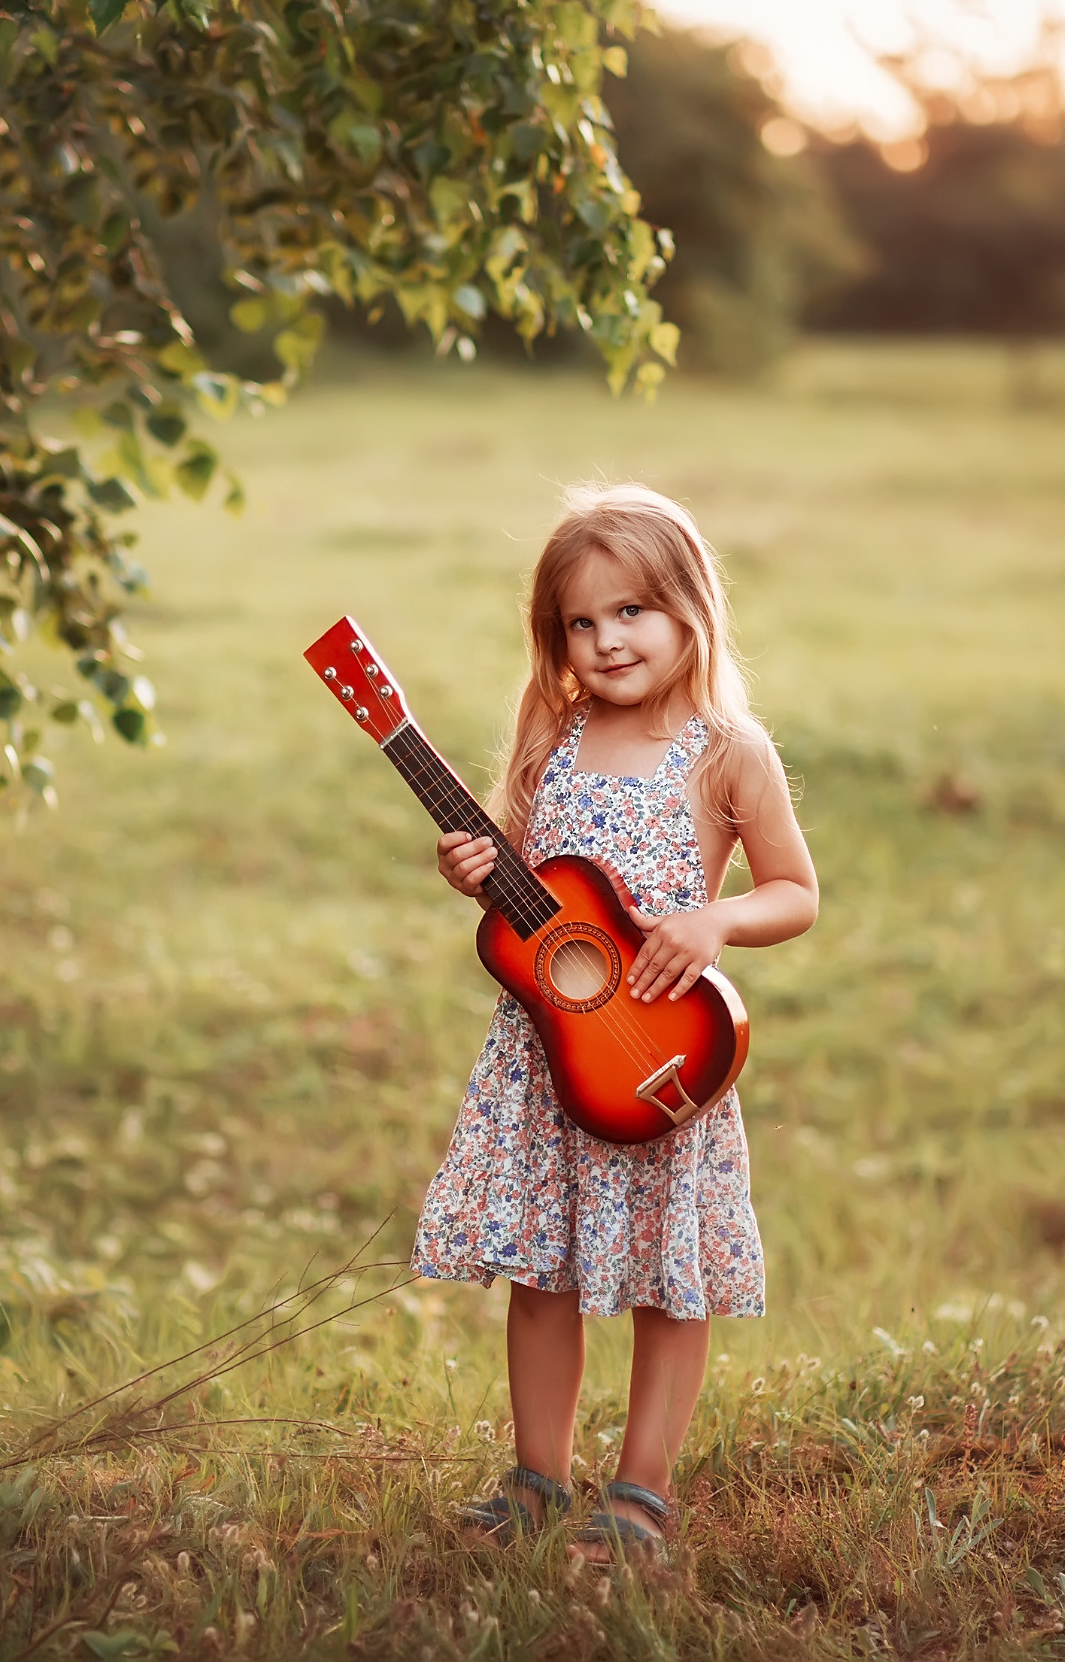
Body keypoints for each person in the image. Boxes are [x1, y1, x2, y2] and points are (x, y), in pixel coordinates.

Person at [413, 482, 819, 1561]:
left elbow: (794, 890)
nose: (604, 640)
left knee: (661, 1275)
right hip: (547, 1055)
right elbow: (527, 877)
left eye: (629, 610)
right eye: (578, 623)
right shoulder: (554, 727)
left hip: (652, 1053)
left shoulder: (728, 749)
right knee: (541, 1272)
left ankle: (639, 1490)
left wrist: (715, 918)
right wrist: (475, 869)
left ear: (690, 608)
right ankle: (537, 1475)